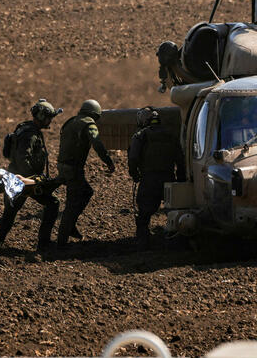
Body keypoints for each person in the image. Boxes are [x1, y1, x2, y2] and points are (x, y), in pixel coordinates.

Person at [0, 99, 63, 253]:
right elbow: (23, 158)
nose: (51, 121)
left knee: (10, 213)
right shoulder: (30, 134)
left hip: (18, 178)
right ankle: (43, 243)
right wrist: (34, 180)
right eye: (49, 117)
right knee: (53, 203)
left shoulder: (26, 129)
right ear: (42, 117)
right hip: (23, 180)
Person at [55, 99, 115, 250]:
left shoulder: (70, 122)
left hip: (63, 166)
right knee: (73, 202)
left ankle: (70, 227)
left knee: (81, 194)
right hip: (73, 168)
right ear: (95, 115)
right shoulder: (89, 123)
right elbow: (97, 143)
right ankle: (62, 240)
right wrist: (108, 161)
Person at [128, 106, 186, 249]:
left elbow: (133, 158)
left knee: (144, 214)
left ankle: (143, 243)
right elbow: (181, 160)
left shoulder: (141, 135)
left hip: (149, 180)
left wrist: (134, 174)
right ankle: (177, 243)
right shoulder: (171, 135)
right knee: (173, 212)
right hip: (168, 178)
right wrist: (181, 180)